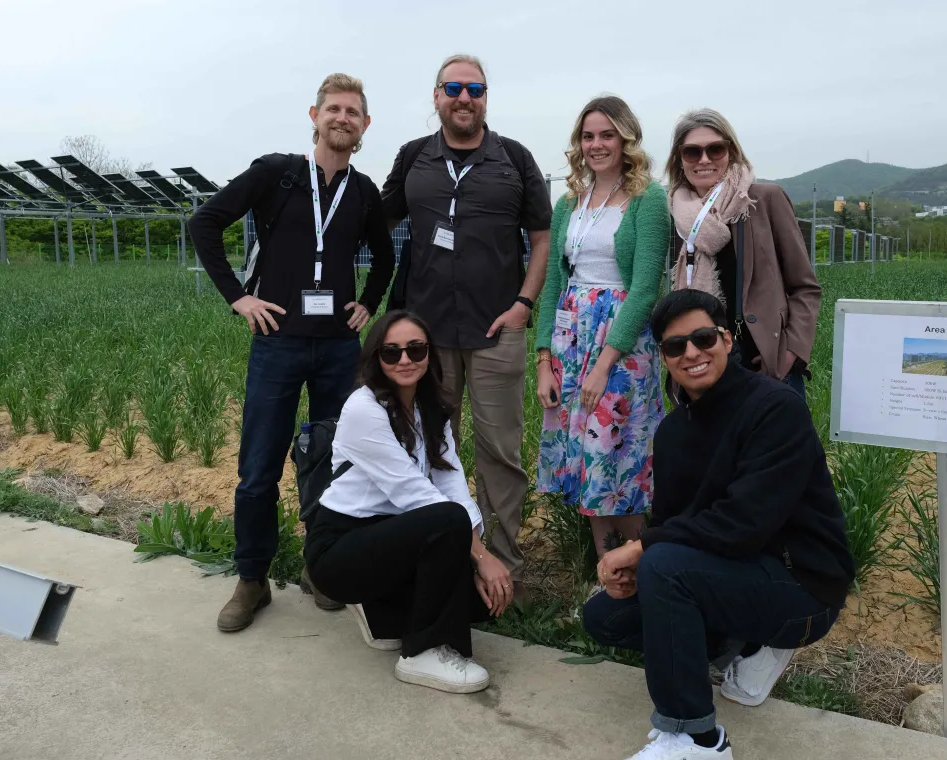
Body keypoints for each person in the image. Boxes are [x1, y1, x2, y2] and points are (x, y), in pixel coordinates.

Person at [582, 290, 854, 760]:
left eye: (703, 338)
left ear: (727, 340)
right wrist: (640, 566)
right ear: (663, 357)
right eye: (675, 346)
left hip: (801, 587)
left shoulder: (774, 408)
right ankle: (728, 644)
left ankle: (697, 738)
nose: (691, 353)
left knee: (664, 565)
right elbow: (674, 523)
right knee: (606, 615)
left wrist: (643, 550)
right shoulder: (673, 433)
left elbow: (744, 523)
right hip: (734, 573)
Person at [189, 74, 395, 632]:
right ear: (315, 115)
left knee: (333, 461)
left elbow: (383, 257)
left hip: (337, 349)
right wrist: (239, 298)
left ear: (365, 125)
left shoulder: (363, 191)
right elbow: (203, 223)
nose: (342, 118)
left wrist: (368, 303)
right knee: (258, 465)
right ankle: (251, 579)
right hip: (276, 341)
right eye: (334, 108)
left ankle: (319, 568)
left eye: (353, 111)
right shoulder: (276, 175)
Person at [380, 54, 552, 602]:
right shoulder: (413, 159)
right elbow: (374, 220)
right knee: (431, 444)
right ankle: (441, 553)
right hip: (425, 339)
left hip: (496, 328)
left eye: (474, 89)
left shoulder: (514, 159)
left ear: (485, 98)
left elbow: (542, 238)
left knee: (500, 451)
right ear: (435, 96)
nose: (464, 97)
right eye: (452, 87)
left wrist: (525, 303)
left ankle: (503, 567)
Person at [303, 311, 510, 694]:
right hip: (340, 547)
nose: (405, 360)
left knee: (480, 602)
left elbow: (450, 481)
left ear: (429, 353)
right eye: (391, 352)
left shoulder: (431, 406)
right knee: (447, 522)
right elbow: (415, 495)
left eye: (416, 350)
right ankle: (422, 652)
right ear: (375, 358)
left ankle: (380, 611)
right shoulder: (364, 408)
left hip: (389, 538)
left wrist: (478, 558)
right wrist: (481, 556)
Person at [534, 96, 669, 564]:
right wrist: (543, 360)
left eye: (607, 135)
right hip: (571, 342)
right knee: (589, 460)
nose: (596, 145)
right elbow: (554, 281)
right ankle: (605, 577)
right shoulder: (570, 200)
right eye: (588, 136)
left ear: (626, 139)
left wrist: (603, 364)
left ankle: (637, 578)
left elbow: (645, 288)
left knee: (619, 457)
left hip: (621, 347)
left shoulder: (648, 198)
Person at [665, 109, 820, 399]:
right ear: (679, 159)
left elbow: (805, 287)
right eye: (692, 152)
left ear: (731, 151)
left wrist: (789, 353)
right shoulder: (679, 215)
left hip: (763, 365)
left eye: (715, 149)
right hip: (700, 365)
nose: (704, 159)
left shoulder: (763, 200)